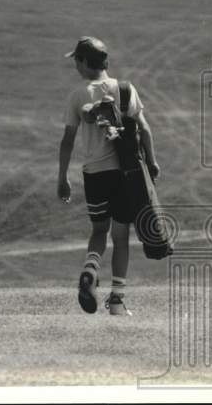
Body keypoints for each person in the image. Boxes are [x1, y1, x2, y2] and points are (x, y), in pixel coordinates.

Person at [57, 36, 160, 316]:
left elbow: (67, 140)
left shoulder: (77, 95)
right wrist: (151, 162)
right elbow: (144, 129)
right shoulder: (125, 89)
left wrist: (62, 177)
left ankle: (90, 270)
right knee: (121, 236)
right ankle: (116, 300)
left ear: (83, 62)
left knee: (99, 231)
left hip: (94, 175)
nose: (75, 66)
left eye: (76, 61)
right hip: (124, 175)